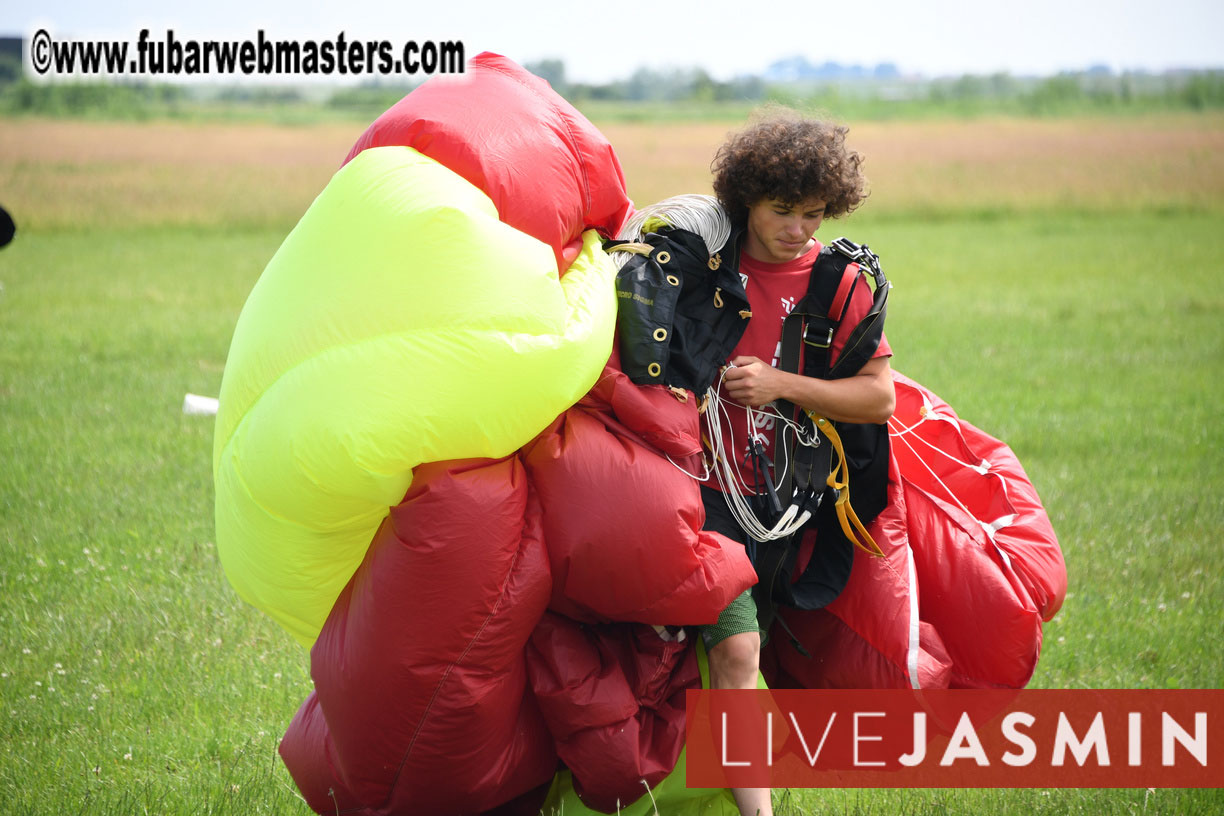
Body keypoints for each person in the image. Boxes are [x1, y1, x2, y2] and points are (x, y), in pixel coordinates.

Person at [699, 111, 896, 816]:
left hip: (794, 506)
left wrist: (782, 386)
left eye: (814, 214)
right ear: (745, 199)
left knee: (773, 657)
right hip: (704, 496)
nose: (799, 229)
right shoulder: (698, 269)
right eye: (783, 212)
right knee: (737, 654)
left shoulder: (841, 285)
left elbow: (878, 399)